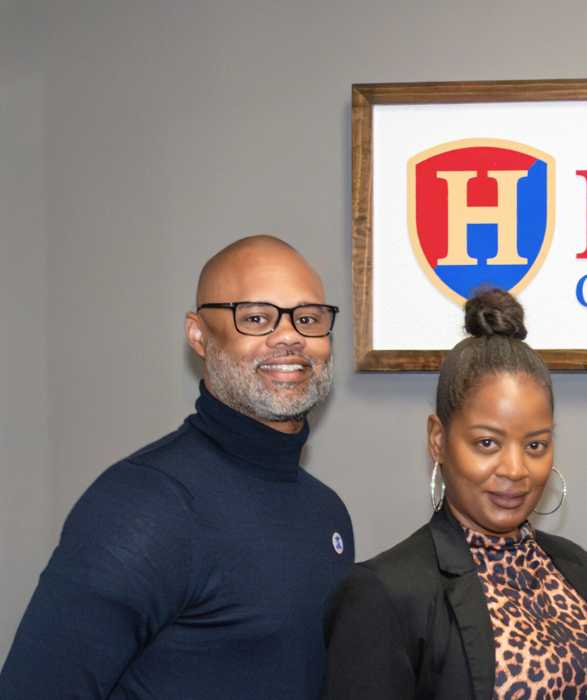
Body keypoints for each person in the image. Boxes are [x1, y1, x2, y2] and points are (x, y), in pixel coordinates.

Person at [0, 236, 352, 700]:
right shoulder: (145, 504)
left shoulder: (326, 511)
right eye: (255, 317)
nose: (288, 336)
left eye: (307, 319)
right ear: (199, 336)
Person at [321, 286, 587, 700]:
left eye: (535, 445)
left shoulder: (578, 569)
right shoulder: (387, 593)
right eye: (487, 443)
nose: (515, 469)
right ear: (438, 439)